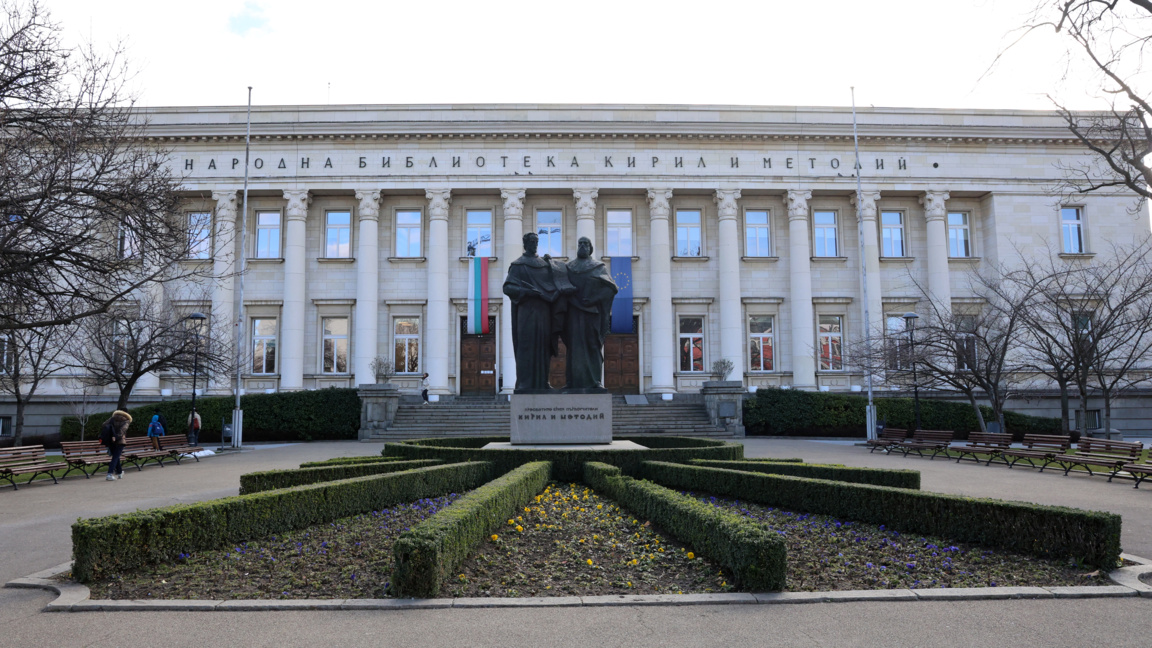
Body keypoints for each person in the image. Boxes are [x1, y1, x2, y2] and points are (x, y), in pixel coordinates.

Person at [502, 232, 573, 391]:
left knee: (544, 348)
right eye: (531, 241)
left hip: (544, 312)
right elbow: (508, 287)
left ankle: (543, 383)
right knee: (526, 347)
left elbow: (557, 280)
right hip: (526, 312)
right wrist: (526, 292)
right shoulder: (518, 265)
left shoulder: (544, 264)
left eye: (536, 241)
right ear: (525, 243)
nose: (534, 244)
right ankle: (525, 384)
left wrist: (553, 265)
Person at [562, 237, 618, 391]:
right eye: (580, 243)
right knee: (574, 347)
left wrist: (593, 299)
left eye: (585, 244)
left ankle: (595, 382)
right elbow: (560, 285)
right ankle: (571, 382)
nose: (582, 246)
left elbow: (611, 288)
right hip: (573, 313)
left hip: (592, 314)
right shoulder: (569, 267)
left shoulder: (598, 267)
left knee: (593, 345)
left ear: (591, 248)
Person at [100, 410, 131, 481]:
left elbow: (104, 425)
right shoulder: (126, 420)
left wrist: (112, 434)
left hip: (111, 441)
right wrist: (116, 437)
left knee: (116, 457)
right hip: (120, 441)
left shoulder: (113, 418)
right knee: (115, 457)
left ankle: (120, 472)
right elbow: (123, 430)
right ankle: (109, 474)